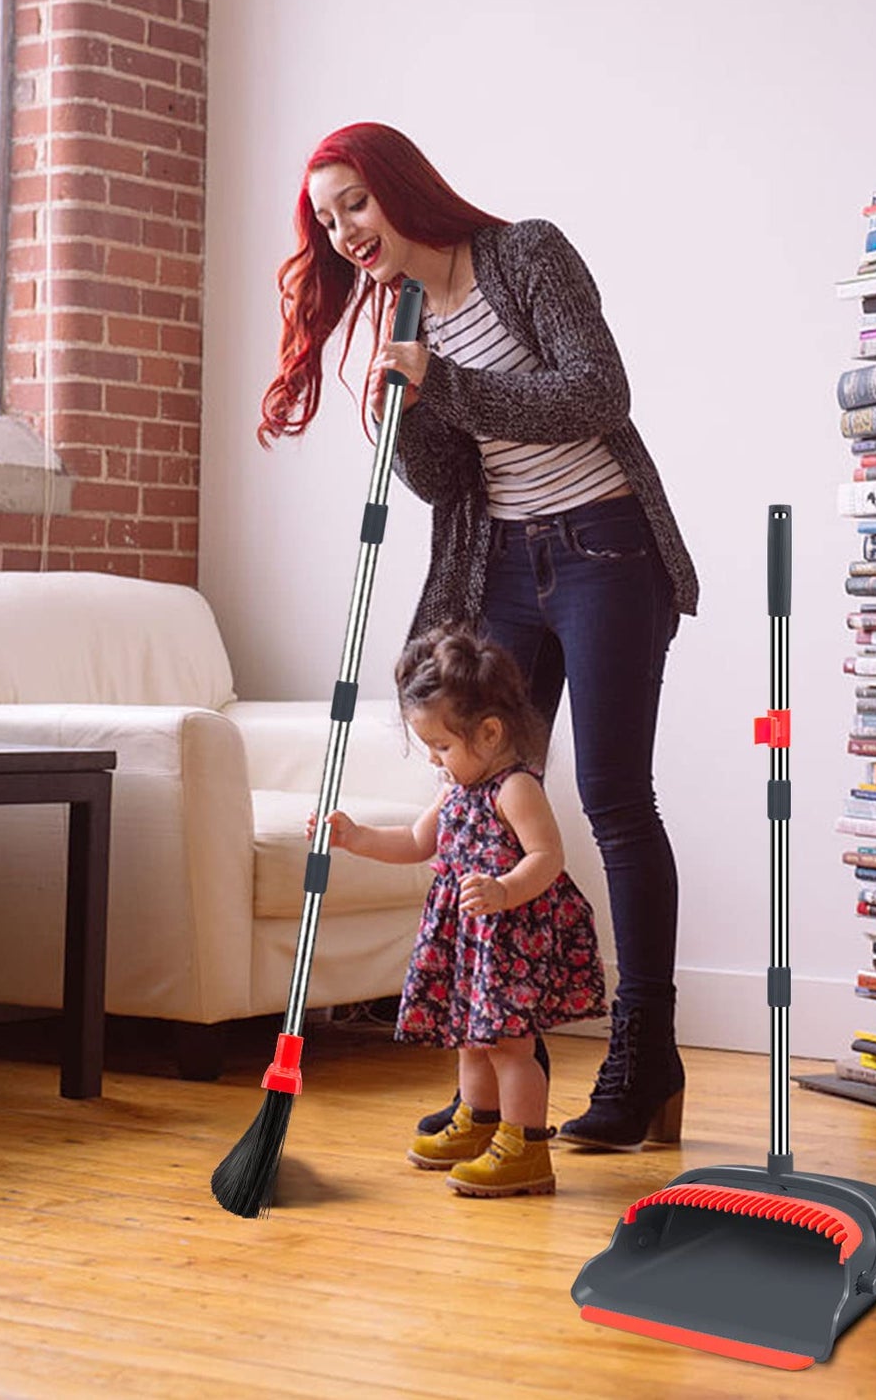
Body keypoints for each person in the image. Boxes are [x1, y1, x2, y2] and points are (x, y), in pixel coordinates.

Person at [262, 122, 699, 1152]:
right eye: (328, 221)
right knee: (482, 801)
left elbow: (597, 392)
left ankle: (646, 1053)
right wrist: (403, 412)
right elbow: (450, 480)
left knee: (612, 798)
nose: (345, 232)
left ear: (400, 188)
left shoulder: (524, 254)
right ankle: (512, 1074)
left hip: (604, 549)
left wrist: (443, 381)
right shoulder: (398, 313)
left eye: (354, 203)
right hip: (498, 559)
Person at [311, 625, 606, 1197]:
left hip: (508, 938)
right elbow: (416, 843)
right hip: (470, 941)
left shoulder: (514, 788)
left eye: (442, 746)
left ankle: (526, 1149)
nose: (434, 759)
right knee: (472, 1041)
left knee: (511, 1047)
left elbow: (548, 856)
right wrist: (356, 836)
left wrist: (503, 889)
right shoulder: (453, 790)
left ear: (490, 733)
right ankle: (480, 1122)